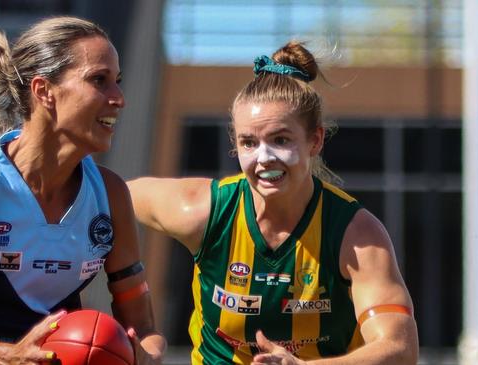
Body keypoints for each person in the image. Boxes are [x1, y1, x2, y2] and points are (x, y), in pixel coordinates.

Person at [0, 16, 166, 365]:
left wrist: (142, 353)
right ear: (43, 91)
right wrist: (6, 357)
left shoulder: (109, 195)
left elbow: (143, 327)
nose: (119, 98)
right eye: (99, 80)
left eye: (118, 81)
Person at [127, 41, 418, 364]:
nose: (264, 158)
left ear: (315, 140)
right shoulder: (203, 211)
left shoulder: (356, 234)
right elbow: (106, 195)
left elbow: (399, 348)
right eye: (249, 142)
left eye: (280, 140)